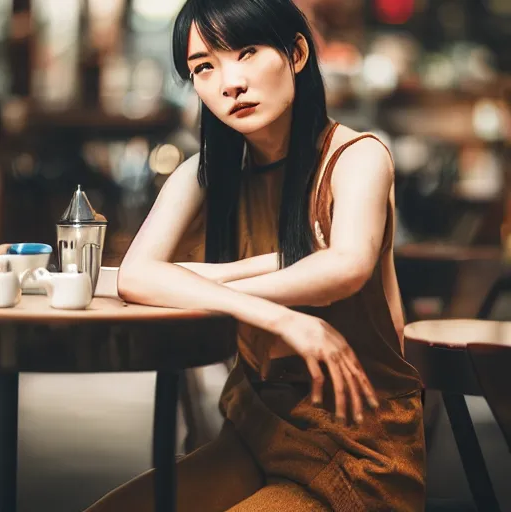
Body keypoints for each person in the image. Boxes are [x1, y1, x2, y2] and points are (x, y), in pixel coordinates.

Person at [85, 0, 425, 510]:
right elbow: (135, 274)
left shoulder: (358, 157)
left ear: (297, 52)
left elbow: (345, 266)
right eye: (204, 67)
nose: (229, 83)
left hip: (360, 451)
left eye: (246, 52)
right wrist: (276, 310)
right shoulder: (204, 175)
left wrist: (199, 283)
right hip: (255, 432)